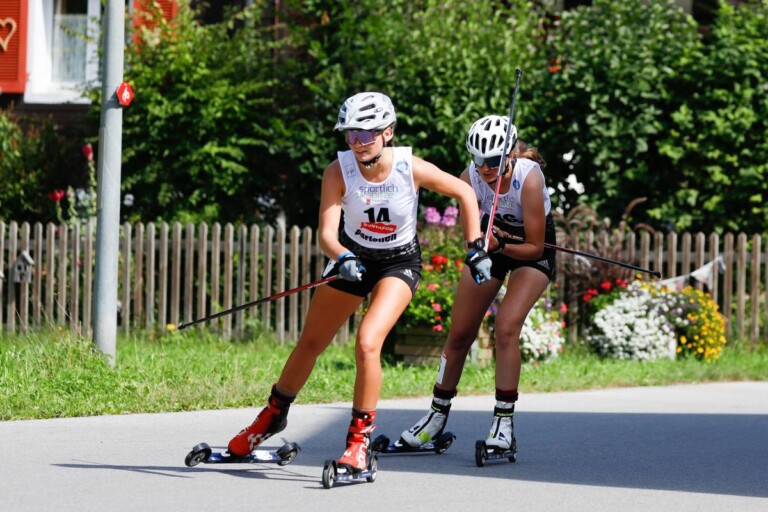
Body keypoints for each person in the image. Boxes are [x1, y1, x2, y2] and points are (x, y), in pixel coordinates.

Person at [226, 92, 492, 473]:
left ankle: (358, 441)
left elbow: (465, 193)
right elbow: (326, 235)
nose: (357, 143)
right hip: (353, 258)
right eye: (350, 135)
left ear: (388, 132)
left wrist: (475, 248)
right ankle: (272, 416)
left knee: (368, 341)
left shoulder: (408, 166)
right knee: (310, 343)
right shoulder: (339, 171)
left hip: (398, 263)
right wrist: (343, 257)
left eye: (366, 134)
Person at [397, 114, 555, 454]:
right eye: (479, 160)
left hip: (530, 249)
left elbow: (535, 247)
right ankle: (435, 419)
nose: (485, 169)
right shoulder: (468, 178)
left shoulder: (529, 179)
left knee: (506, 328)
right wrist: (483, 244)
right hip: (492, 245)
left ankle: (503, 424)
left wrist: (500, 244)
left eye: (494, 162)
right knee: (459, 334)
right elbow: (471, 236)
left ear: (511, 154)